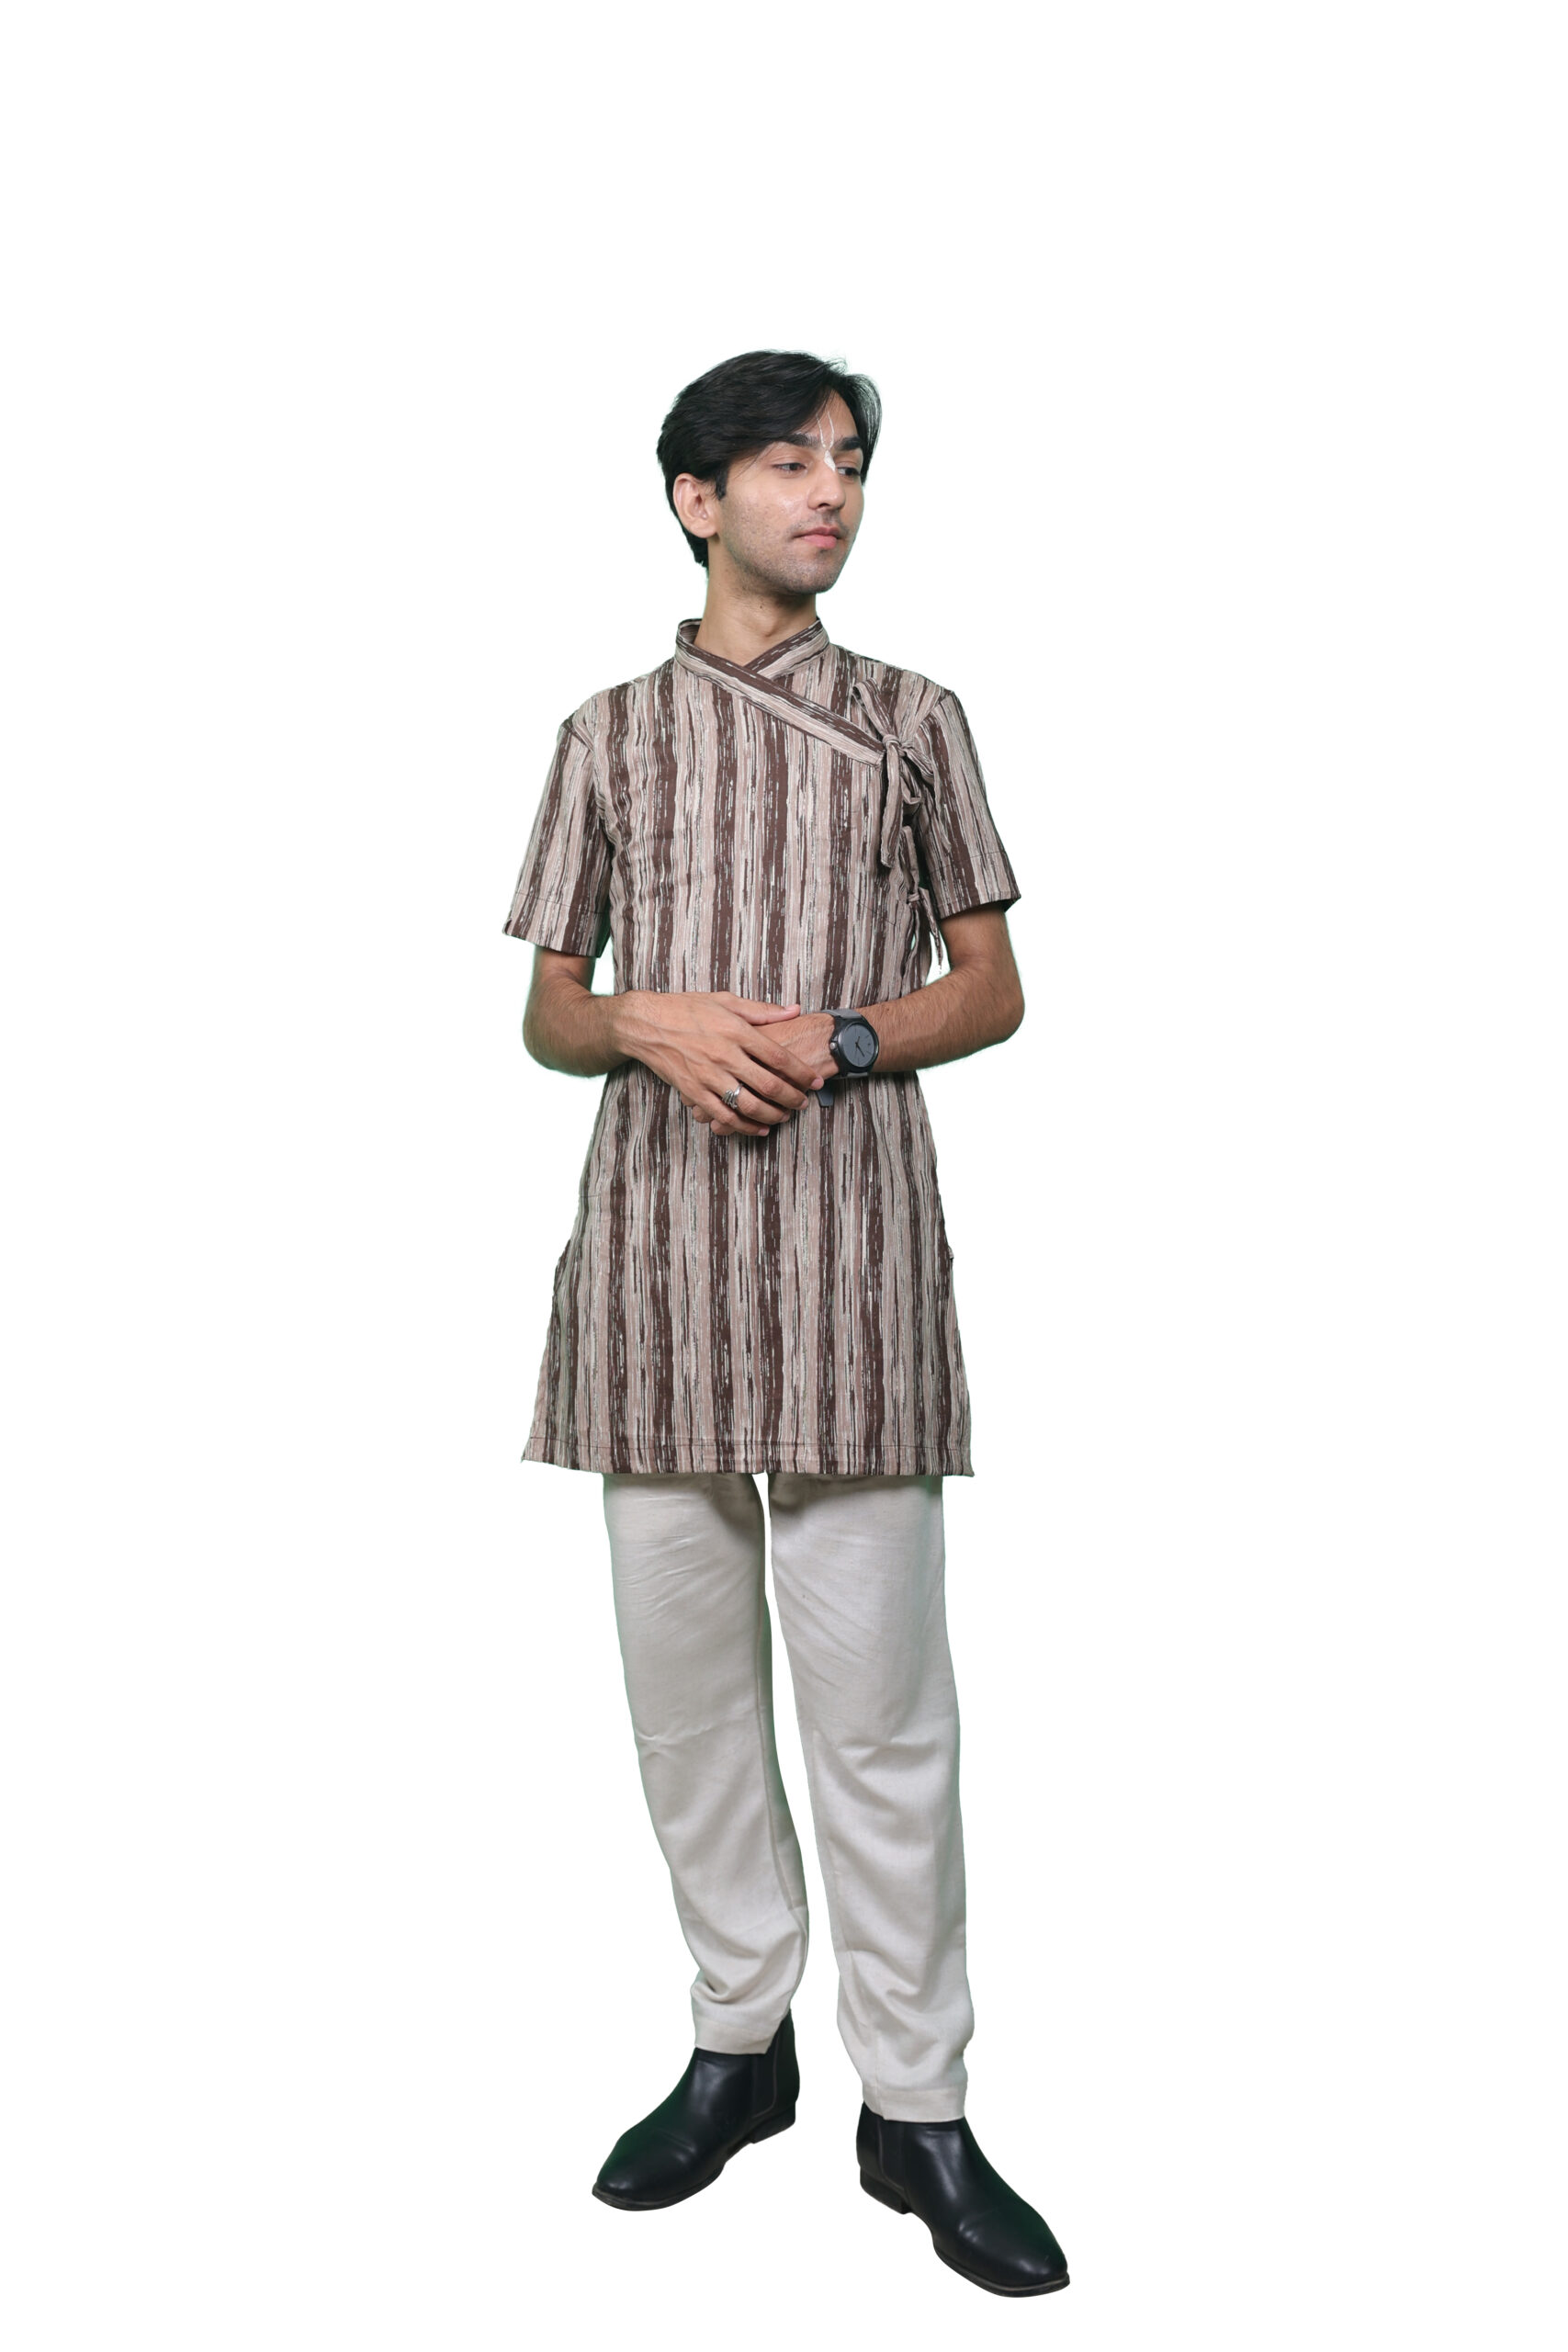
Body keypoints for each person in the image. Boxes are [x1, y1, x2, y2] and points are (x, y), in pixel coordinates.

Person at [503, 349, 1069, 2298]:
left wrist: (838, 1037)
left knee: (884, 1721)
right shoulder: (603, 735)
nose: (829, 492)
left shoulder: (915, 722)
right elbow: (550, 1012)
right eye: (785, 462)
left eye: (848, 464)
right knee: (686, 1711)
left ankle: (918, 2107)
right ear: (695, 498)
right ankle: (736, 2047)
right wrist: (643, 1019)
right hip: (653, 1266)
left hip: (850, 1262)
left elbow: (988, 984)